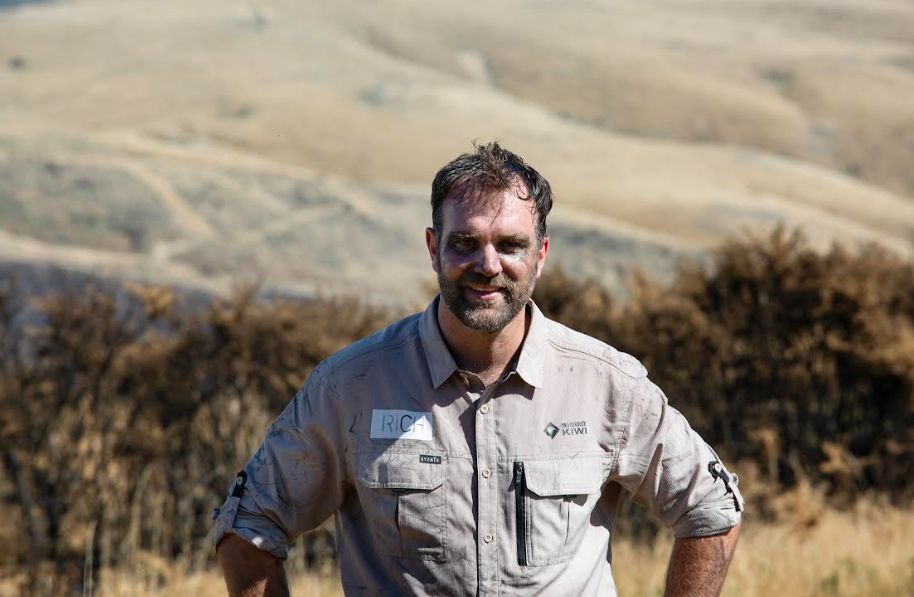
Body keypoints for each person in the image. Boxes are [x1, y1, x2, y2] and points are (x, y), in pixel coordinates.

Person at [213, 142, 744, 596]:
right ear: (432, 248)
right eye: (464, 243)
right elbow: (249, 524)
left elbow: (712, 509)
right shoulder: (350, 386)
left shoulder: (607, 384)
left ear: (541, 255)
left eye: (510, 245)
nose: (487, 265)